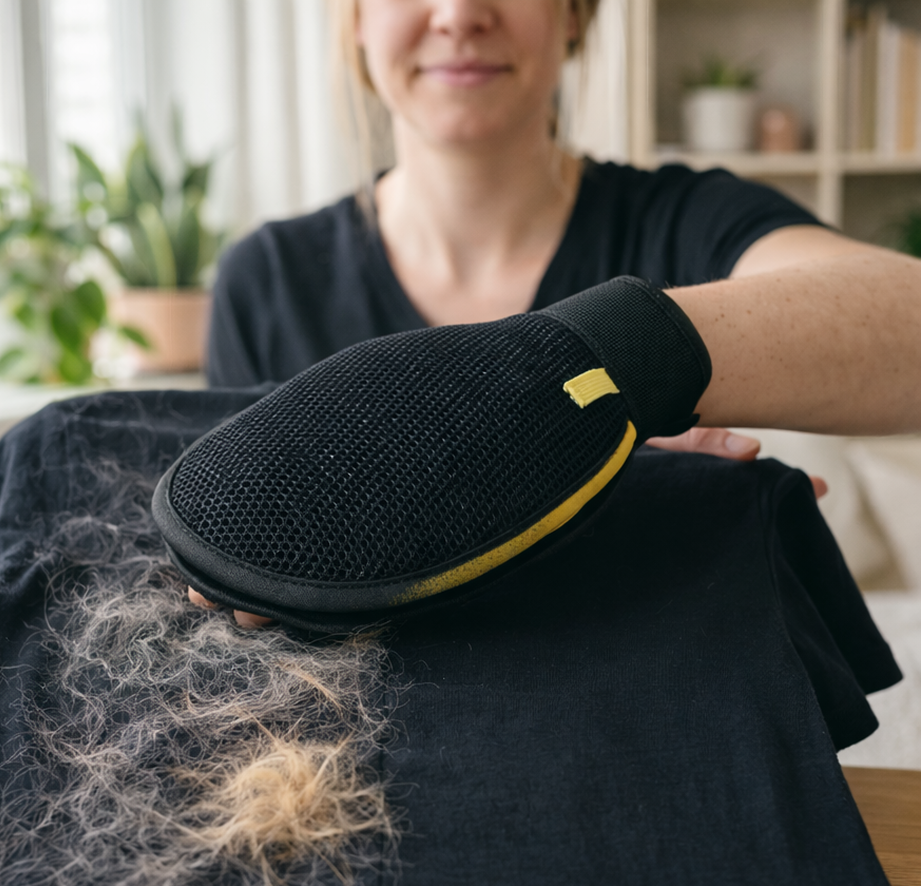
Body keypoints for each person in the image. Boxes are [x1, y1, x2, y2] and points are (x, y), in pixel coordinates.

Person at [198, 0, 921, 625]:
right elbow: (233, 557)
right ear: (354, 18)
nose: (459, 14)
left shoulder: (685, 219)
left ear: (573, 13)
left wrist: (625, 366)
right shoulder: (263, 280)